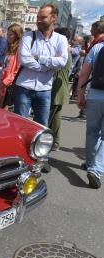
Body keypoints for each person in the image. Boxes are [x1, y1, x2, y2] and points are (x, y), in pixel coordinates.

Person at [13, 3, 68, 127]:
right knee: (20, 124)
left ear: (53, 18)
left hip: (45, 89)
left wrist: (39, 58)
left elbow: (62, 61)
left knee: (41, 125)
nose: (38, 20)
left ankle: (36, 147)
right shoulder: (28, 36)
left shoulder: (61, 39)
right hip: (24, 87)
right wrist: (45, 67)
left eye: (42, 17)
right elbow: (24, 59)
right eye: (38, 17)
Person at [77, 28, 104, 189]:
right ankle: (96, 169)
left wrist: (81, 94)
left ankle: (89, 163)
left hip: (95, 96)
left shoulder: (97, 47)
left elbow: (84, 74)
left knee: (92, 131)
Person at [49, 27, 72, 152]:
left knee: (51, 117)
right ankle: (55, 142)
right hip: (60, 88)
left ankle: (52, 141)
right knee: (55, 116)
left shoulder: (64, 52)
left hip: (56, 88)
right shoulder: (67, 50)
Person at [0, 23, 23, 109]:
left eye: (10, 35)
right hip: (3, 80)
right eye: (7, 34)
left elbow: (18, 68)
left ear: (17, 35)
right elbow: (8, 64)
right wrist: (1, 64)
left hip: (9, 83)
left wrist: (7, 81)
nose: (8, 36)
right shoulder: (9, 47)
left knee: (4, 109)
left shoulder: (20, 48)